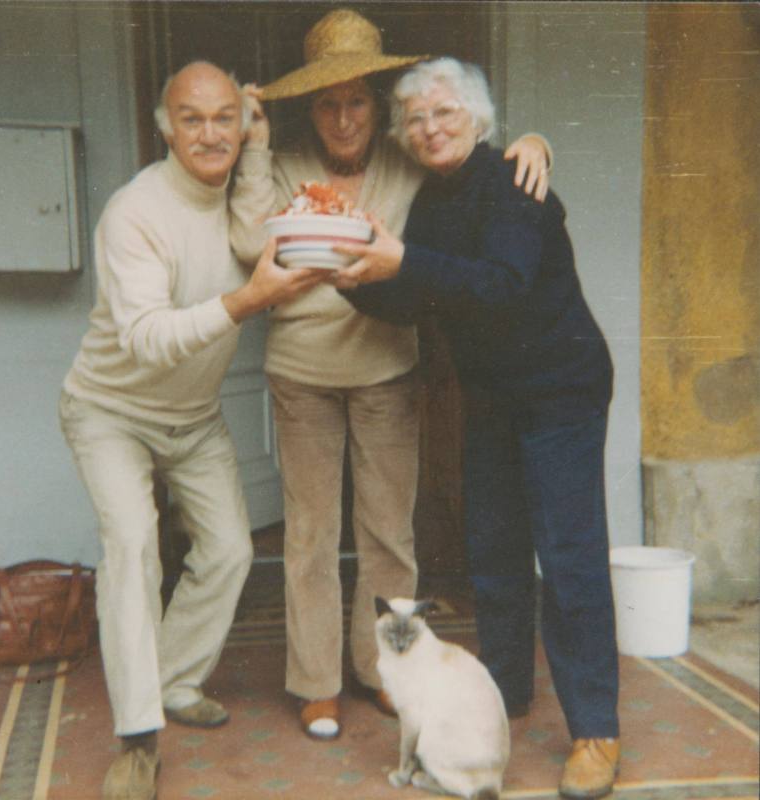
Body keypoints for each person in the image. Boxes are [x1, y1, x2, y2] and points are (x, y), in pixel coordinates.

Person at [229, 7, 552, 742]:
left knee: (387, 532)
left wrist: (529, 144)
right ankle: (314, 682)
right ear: (309, 110)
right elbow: (252, 239)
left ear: (376, 107)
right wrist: (251, 147)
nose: (342, 117)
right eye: (325, 103)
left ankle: (381, 670)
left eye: (355, 102)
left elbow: (473, 168)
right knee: (310, 533)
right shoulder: (281, 168)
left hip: (386, 367)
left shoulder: (413, 161)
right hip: (301, 371)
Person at [334, 57, 621, 800]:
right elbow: (418, 296)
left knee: (568, 558)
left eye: (445, 114)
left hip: (561, 389)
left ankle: (595, 732)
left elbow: (501, 285)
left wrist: (404, 258)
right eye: (417, 119)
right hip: (491, 393)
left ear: (478, 119)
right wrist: (359, 283)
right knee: (492, 548)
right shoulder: (432, 202)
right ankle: (504, 692)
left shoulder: (516, 185)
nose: (430, 129)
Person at [59, 61, 326, 800]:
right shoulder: (134, 211)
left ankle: (173, 678)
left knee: (231, 550)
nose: (210, 134)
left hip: (192, 415)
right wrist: (249, 300)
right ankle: (137, 740)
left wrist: (263, 145)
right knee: (135, 546)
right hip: (110, 409)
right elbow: (145, 338)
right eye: (192, 118)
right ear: (165, 128)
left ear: (242, 125)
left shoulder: (242, 190)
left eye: (224, 117)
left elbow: (265, 222)